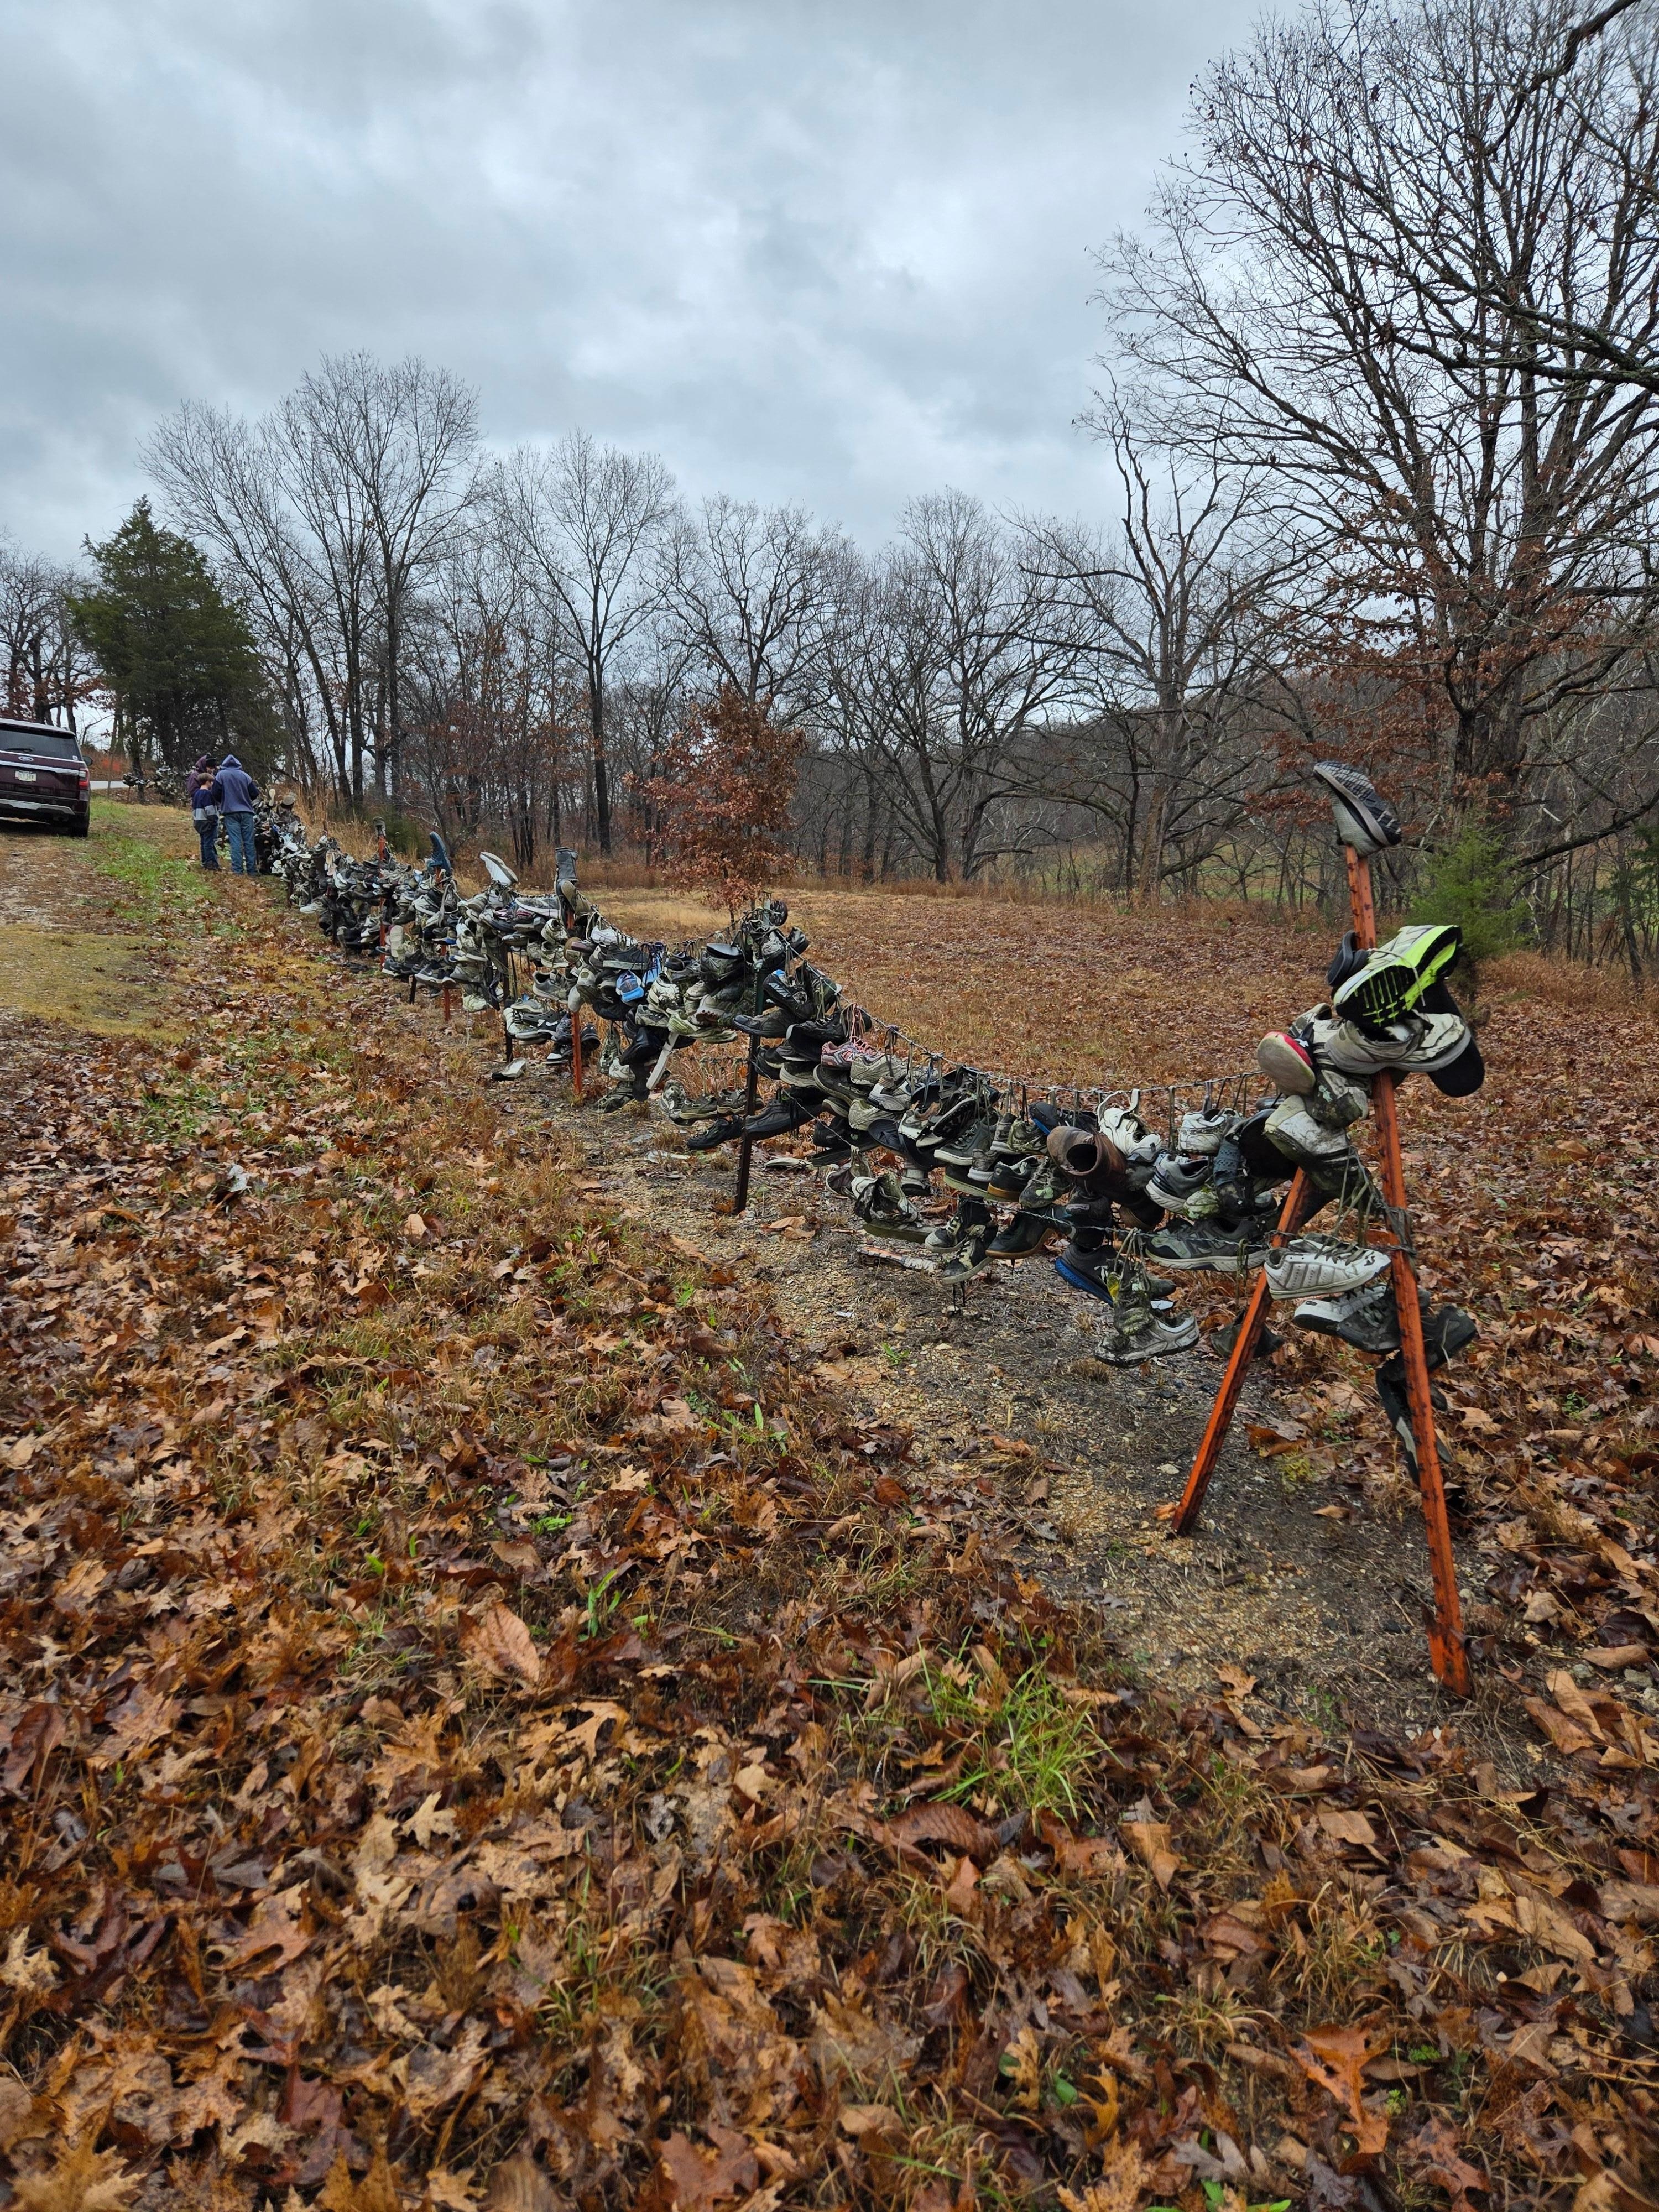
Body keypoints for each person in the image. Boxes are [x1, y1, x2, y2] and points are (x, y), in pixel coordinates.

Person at [211, 752, 261, 875]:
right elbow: (255, 793)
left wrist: (224, 800)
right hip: (247, 813)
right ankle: (252, 870)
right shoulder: (245, 776)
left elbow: (215, 793)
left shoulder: (221, 775)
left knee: (236, 841)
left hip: (230, 812)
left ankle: (238, 870)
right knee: (249, 842)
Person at [184, 754, 219, 869]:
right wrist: (213, 819)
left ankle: (208, 861)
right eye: (210, 768)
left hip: (200, 816)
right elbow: (194, 794)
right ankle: (210, 863)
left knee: (205, 841)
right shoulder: (195, 777)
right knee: (208, 841)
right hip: (205, 815)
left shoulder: (210, 779)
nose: (212, 770)